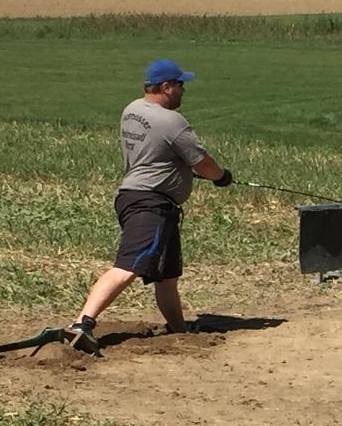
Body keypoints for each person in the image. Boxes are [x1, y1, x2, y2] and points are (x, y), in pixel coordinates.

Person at [65, 58, 232, 355]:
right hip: (150, 204)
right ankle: (82, 324)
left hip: (142, 198)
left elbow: (154, 151)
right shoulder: (172, 121)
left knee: (167, 276)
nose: (183, 90)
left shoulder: (132, 110)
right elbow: (203, 163)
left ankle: (178, 329)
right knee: (128, 266)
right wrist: (221, 177)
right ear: (166, 87)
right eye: (180, 85)